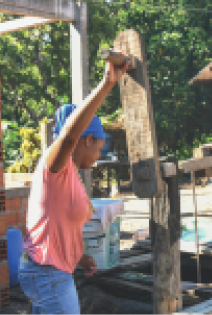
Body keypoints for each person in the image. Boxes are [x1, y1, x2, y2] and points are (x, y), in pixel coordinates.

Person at [18, 55, 130, 314]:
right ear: (87, 139)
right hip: (47, 273)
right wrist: (106, 85)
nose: (99, 155)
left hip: (51, 271)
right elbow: (69, 137)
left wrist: (79, 256)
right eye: (99, 148)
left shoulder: (70, 175)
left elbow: (59, 224)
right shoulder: (53, 167)